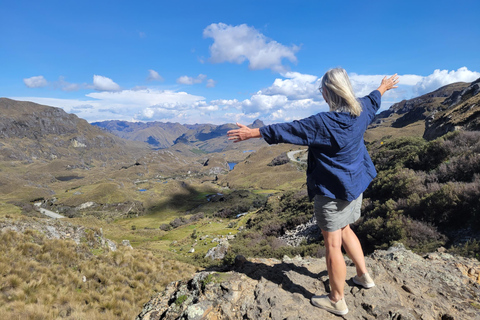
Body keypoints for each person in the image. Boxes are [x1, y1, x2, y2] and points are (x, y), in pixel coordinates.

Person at [227, 68, 399, 316]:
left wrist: (252, 132)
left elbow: (290, 129)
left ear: (327, 93)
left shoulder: (323, 122)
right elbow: (374, 98)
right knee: (346, 228)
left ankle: (337, 299)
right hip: (355, 186)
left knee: (332, 244)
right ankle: (363, 276)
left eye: (322, 91)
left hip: (331, 191)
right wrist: (383, 86)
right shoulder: (362, 110)